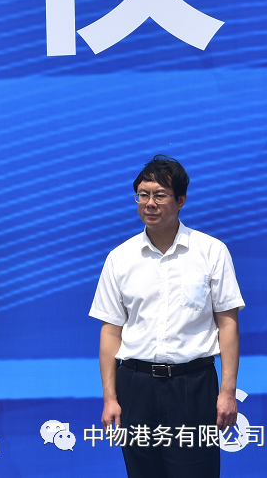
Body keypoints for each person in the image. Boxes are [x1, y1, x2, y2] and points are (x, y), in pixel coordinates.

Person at [90, 155, 244, 478]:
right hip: (136, 386)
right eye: (142, 195)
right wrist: (110, 398)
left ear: (181, 200)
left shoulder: (211, 252)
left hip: (193, 384)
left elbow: (227, 325)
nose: (150, 203)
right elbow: (110, 331)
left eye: (160, 195)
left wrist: (227, 392)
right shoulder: (120, 258)